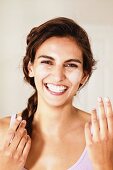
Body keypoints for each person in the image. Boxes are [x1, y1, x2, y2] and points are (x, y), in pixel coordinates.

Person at [0, 17, 113, 170]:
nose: (58, 76)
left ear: (84, 76)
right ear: (30, 68)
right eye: (47, 62)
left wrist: (104, 165)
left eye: (70, 65)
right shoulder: (2, 133)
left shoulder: (106, 137)